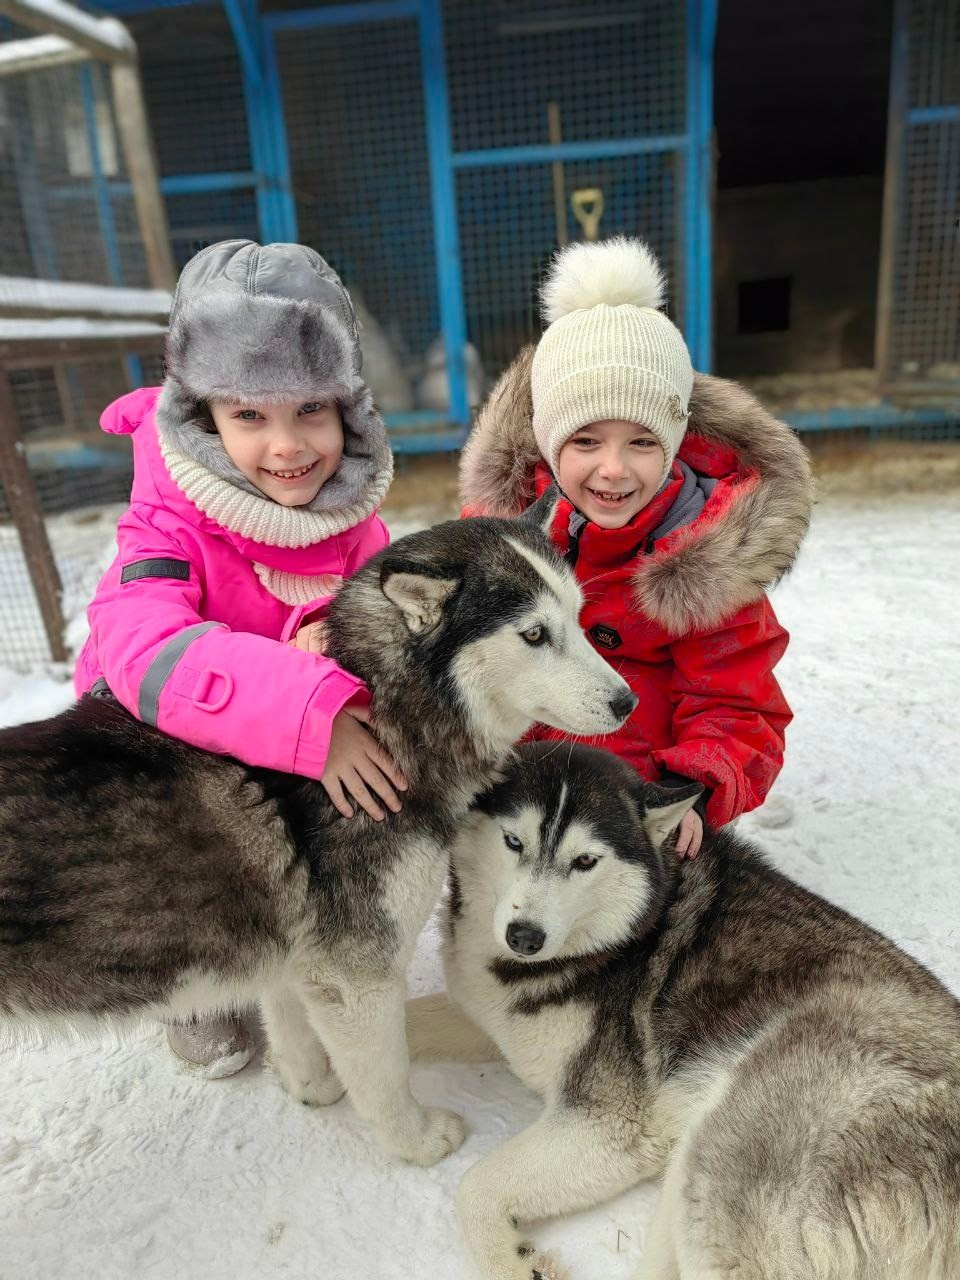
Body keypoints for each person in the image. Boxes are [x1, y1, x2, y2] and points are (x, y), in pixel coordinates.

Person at [74, 240, 404, 1075]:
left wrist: (338, 635)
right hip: (153, 745)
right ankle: (198, 981)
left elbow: (376, 609)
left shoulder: (354, 516)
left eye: (311, 412)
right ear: (205, 419)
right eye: (250, 416)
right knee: (187, 846)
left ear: (349, 412)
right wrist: (307, 705)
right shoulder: (167, 519)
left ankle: (312, 913)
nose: (287, 447)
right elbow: (143, 647)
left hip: (280, 720)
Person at [460, 237, 814, 858]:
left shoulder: (709, 557)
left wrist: (692, 789)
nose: (614, 470)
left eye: (643, 442)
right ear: (548, 443)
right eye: (587, 441)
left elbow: (737, 702)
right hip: (512, 796)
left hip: (635, 808)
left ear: (674, 442)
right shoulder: (507, 540)